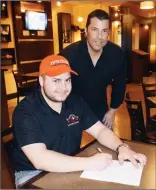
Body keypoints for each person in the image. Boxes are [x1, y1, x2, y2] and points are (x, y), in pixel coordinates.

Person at [12, 55, 146, 188]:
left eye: (67, 80)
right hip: (33, 174)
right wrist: (89, 163)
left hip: (71, 165)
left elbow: (100, 130)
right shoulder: (25, 112)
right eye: (56, 81)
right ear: (41, 81)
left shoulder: (75, 102)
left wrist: (121, 147)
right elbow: (40, 159)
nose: (63, 87)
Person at [59, 9, 127, 130]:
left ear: (108, 33)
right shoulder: (68, 55)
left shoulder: (117, 54)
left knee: (108, 142)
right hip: (71, 107)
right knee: (69, 147)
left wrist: (112, 111)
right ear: (86, 31)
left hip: (100, 106)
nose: (99, 37)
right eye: (95, 30)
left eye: (104, 31)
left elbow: (120, 85)